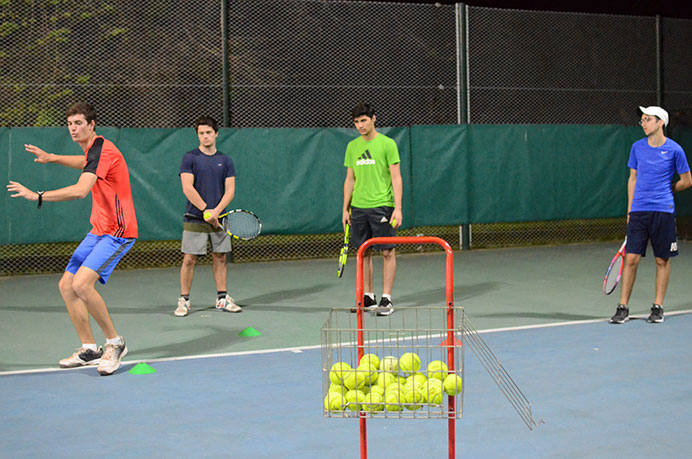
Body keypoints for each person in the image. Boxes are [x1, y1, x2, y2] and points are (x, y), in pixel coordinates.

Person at [6, 102, 137, 375]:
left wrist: (38, 195)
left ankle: (115, 342)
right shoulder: (93, 152)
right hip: (99, 228)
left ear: (92, 125)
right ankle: (89, 348)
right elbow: (84, 162)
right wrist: (52, 157)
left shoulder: (103, 148)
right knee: (67, 285)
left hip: (119, 231)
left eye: (78, 123)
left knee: (82, 284)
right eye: (70, 124)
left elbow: (80, 190)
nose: (73, 128)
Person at [610, 106, 692, 324]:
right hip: (639, 211)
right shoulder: (637, 148)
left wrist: (669, 189)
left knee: (661, 260)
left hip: (663, 211)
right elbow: (632, 179)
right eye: (642, 120)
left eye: (647, 119)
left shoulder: (675, 150)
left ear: (660, 123)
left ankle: (657, 307)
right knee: (631, 259)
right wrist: (630, 209)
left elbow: (687, 181)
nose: (643, 123)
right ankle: (622, 307)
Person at [175, 115, 241, 317]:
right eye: (201, 133)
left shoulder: (225, 160)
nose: (205, 136)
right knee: (189, 259)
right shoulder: (190, 158)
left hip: (219, 219)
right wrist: (206, 210)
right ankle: (184, 301)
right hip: (195, 217)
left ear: (216, 134)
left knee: (220, 257)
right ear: (197, 135)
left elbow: (230, 191)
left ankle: (222, 298)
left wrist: (217, 211)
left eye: (208, 133)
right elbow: (187, 187)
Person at [342, 102, 403, 316]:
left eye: (364, 120)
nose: (360, 125)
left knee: (387, 251)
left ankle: (386, 300)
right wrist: (345, 209)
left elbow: (396, 177)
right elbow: (349, 180)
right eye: (357, 122)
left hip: (382, 206)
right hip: (358, 207)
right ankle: (368, 297)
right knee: (363, 253)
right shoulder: (352, 147)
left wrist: (398, 208)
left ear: (373, 119)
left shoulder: (388, 144)